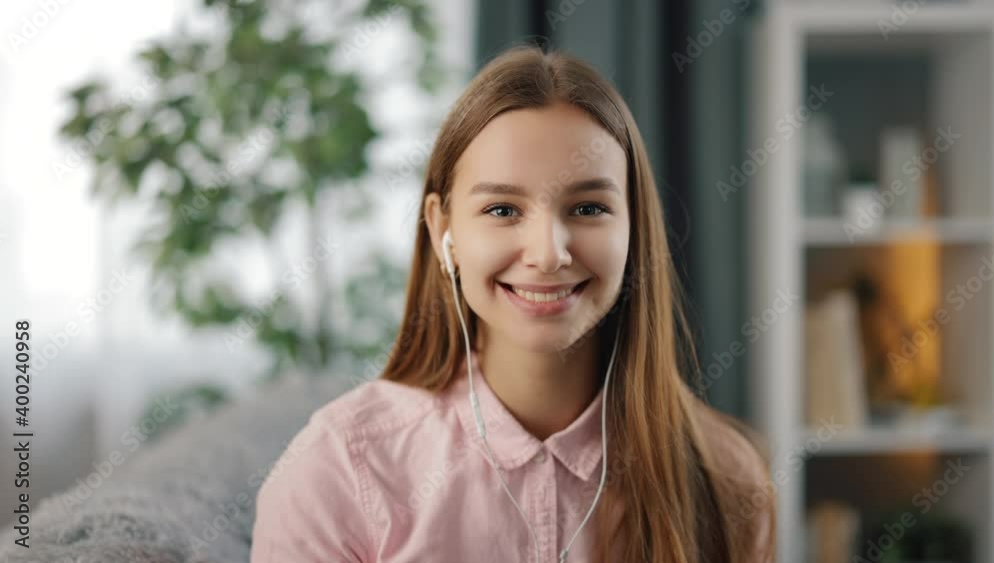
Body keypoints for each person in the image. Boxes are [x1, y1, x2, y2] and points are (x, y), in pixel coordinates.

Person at [250, 44, 775, 563]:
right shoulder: (339, 469)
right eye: (502, 209)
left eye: (589, 207)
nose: (548, 254)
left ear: (634, 228)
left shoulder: (725, 476)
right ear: (442, 230)